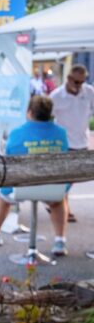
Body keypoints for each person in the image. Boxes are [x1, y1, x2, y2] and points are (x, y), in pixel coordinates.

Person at [0, 96, 69, 254]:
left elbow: (8, 163)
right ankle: (60, 242)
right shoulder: (61, 133)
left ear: (29, 112)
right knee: (58, 202)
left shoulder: (16, 134)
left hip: (21, 187)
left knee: (3, 198)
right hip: (51, 188)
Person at [49, 64, 94, 223]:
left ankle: (55, 201)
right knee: (64, 178)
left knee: (72, 178)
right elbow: (48, 119)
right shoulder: (56, 96)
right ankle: (64, 207)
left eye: (82, 81)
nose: (79, 85)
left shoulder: (89, 92)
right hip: (63, 142)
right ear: (68, 79)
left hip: (81, 141)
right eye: (76, 82)